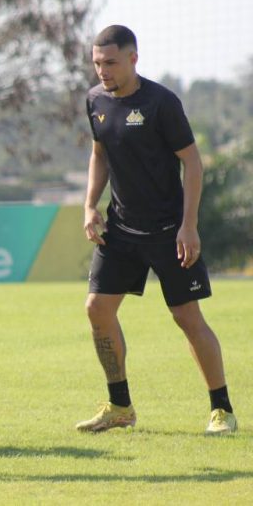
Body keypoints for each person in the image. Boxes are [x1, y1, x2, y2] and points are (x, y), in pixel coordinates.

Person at [78, 25, 236, 435]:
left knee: (186, 317)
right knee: (97, 308)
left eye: (110, 62)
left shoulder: (161, 102)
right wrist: (89, 204)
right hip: (121, 228)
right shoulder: (95, 100)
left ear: (133, 58)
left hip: (169, 230)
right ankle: (119, 406)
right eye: (97, 63)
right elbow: (100, 155)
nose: (102, 71)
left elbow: (193, 163)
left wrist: (189, 226)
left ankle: (222, 410)